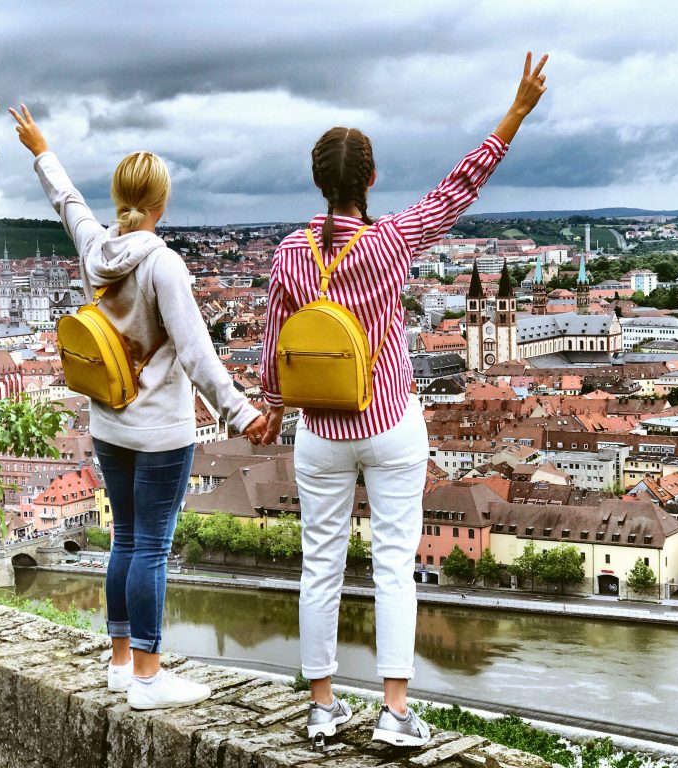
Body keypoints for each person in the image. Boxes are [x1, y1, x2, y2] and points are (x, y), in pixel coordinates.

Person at [258, 52, 548, 746]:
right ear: (372, 181)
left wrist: (270, 404)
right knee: (394, 565)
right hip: (389, 418)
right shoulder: (392, 240)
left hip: (320, 433)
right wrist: (514, 115)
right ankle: (394, 712)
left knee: (319, 565)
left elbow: (276, 348)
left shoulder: (288, 253)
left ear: (317, 183)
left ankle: (322, 707)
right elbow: (458, 189)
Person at [10, 105, 267, 710]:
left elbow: (67, 204)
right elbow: (199, 357)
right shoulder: (163, 263)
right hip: (158, 432)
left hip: (107, 424)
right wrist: (241, 413)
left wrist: (41, 149)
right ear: (162, 206)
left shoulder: (97, 249)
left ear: (121, 199)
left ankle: (121, 663)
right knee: (150, 546)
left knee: (125, 539)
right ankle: (151, 677)